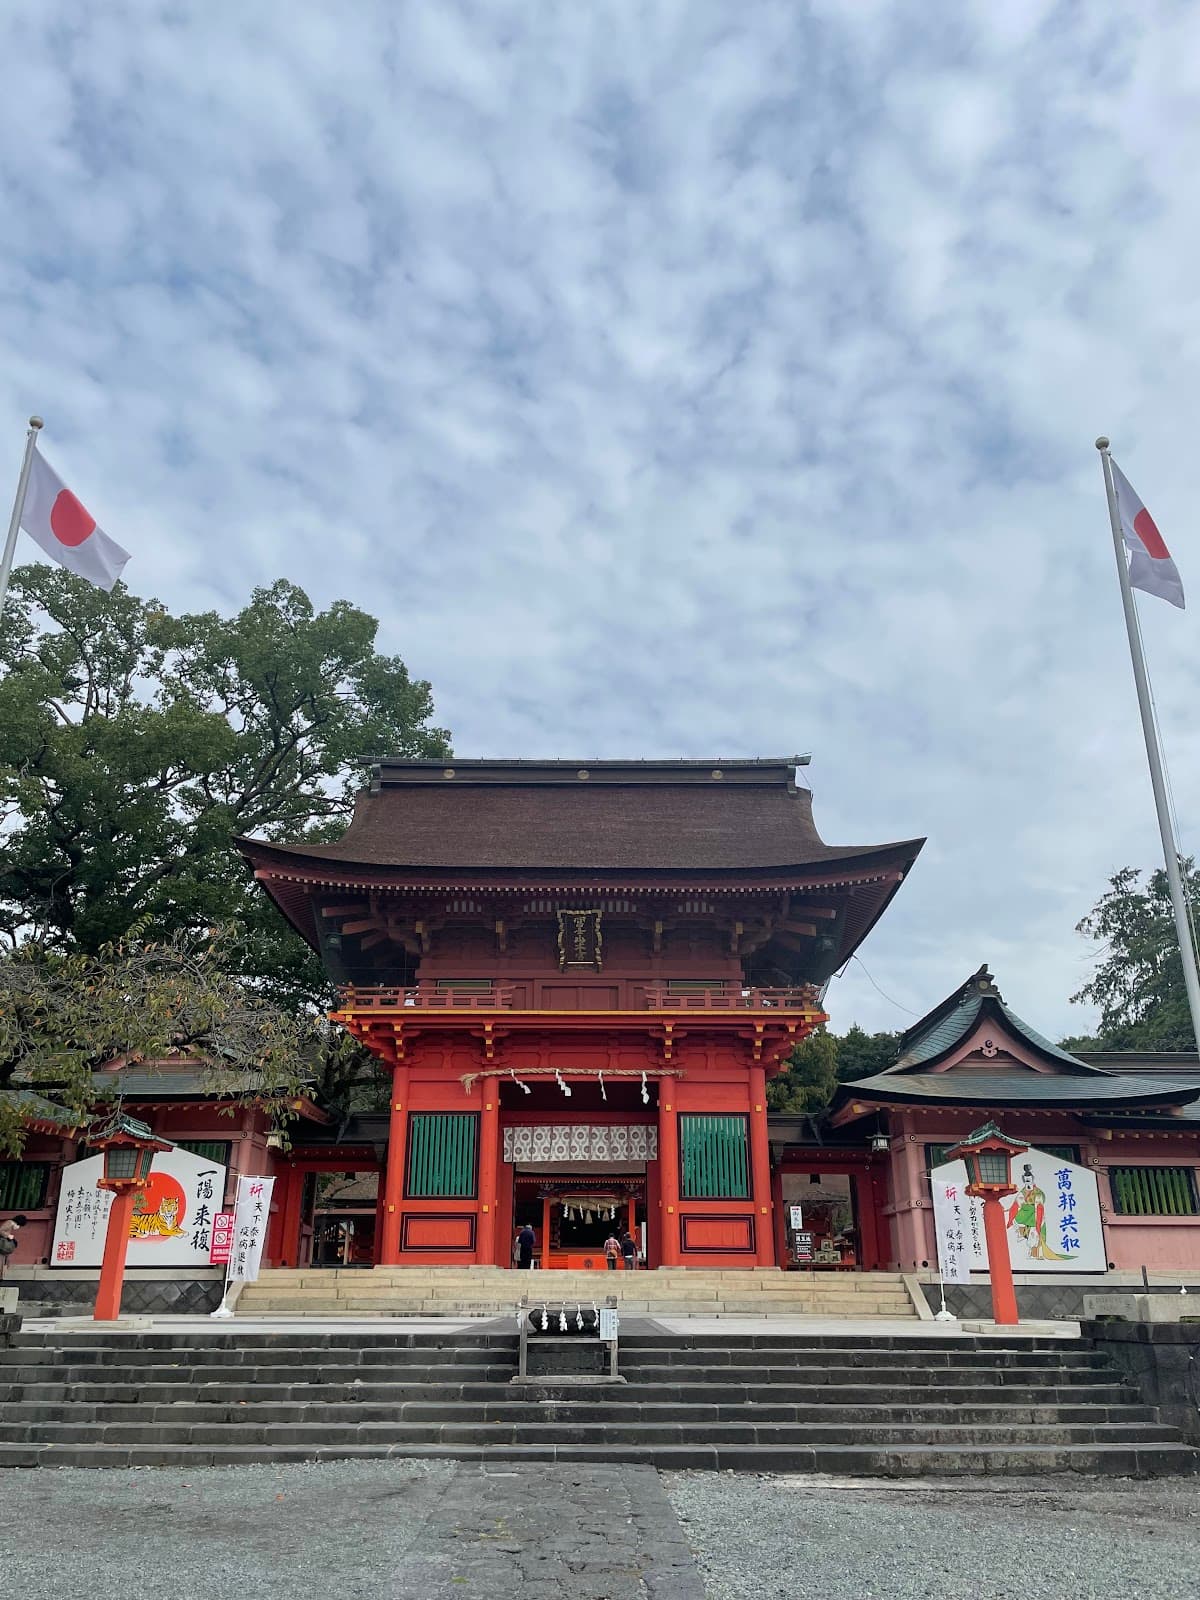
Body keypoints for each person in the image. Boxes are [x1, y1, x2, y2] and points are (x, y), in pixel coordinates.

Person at [0, 1214, 26, 1279]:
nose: (18, 1227)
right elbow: (1, 1230)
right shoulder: (10, 1223)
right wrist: (8, 1236)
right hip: (1, 1246)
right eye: (19, 1225)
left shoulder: (10, 1224)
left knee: (3, 1262)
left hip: (2, 1246)